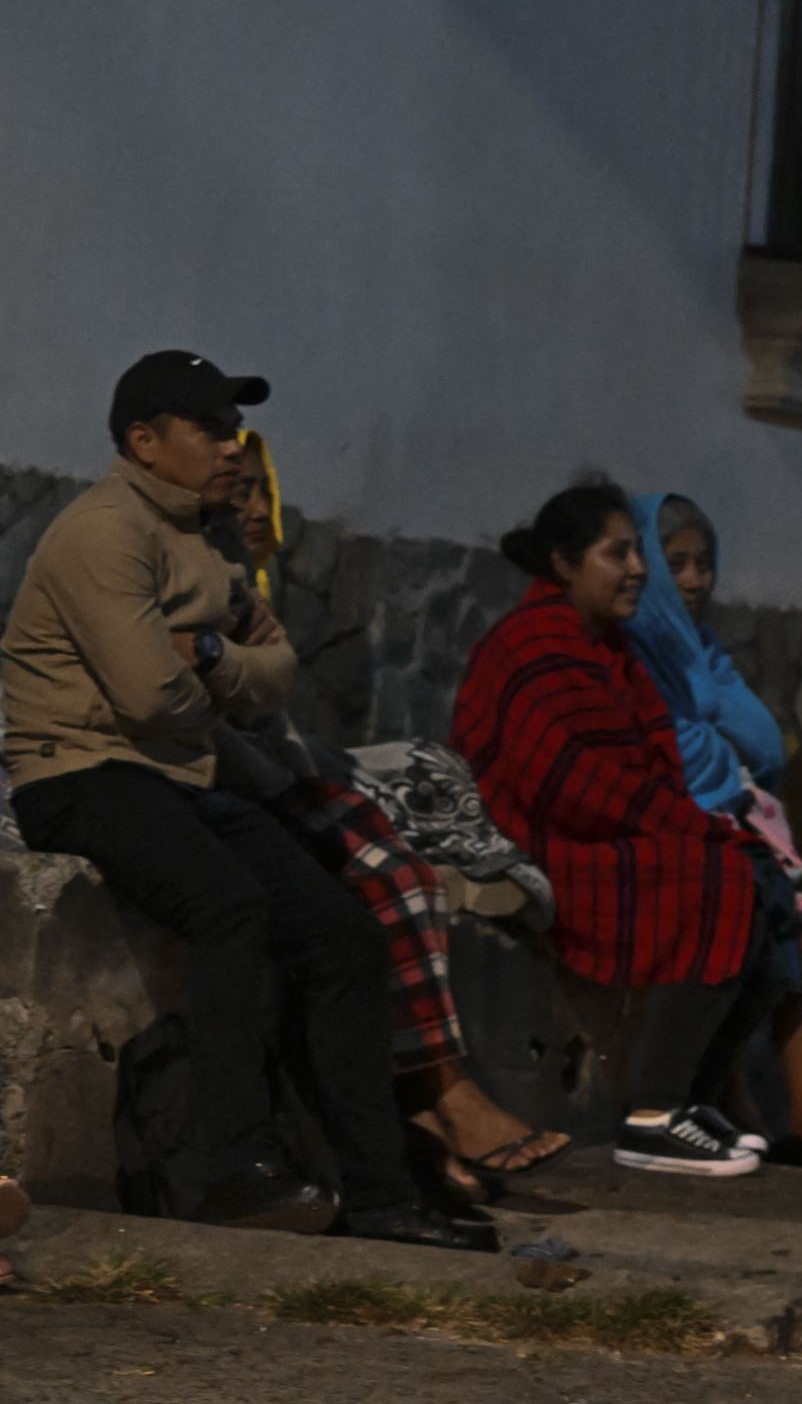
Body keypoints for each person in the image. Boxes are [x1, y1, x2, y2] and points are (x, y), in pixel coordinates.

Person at [3, 353, 470, 1245]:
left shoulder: (208, 537)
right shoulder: (105, 532)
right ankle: (232, 1168)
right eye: (210, 428)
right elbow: (146, 696)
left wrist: (212, 657)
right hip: (77, 774)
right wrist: (222, 672)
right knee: (229, 906)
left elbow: (275, 672)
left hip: (177, 775)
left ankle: (379, 1198)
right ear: (145, 442)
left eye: (233, 426)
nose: (231, 446)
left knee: (340, 934)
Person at [215, 430, 571, 1188]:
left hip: (258, 777)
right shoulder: (181, 573)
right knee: (373, 887)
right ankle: (439, 1101)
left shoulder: (243, 584)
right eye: (236, 488)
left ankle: (431, 1109)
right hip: (206, 786)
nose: (252, 507)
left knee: (405, 868)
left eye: (260, 490)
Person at [452, 482, 769, 1177]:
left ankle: (690, 1098)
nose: (637, 569)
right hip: (545, 838)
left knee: (766, 891)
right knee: (714, 874)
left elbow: (648, 762)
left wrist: (689, 822)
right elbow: (564, 782)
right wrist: (689, 828)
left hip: (602, 827)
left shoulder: (609, 648)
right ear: (564, 564)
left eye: (636, 552)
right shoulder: (534, 643)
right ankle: (651, 1113)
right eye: (616, 553)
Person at [628, 492, 802, 1170]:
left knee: (794, 943)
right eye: (678, 565)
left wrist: (723, 753)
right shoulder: (641, 642)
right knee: (744, 909)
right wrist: (723, 755)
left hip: (722, 826)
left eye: (705, 563)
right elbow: (680, 749)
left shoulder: (694, 646)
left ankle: (738, 1109)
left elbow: (760, 740)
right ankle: (685, 1107)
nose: (696, 580)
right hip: (664, 835)